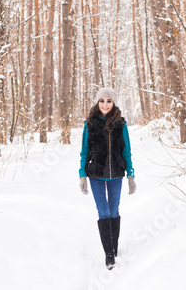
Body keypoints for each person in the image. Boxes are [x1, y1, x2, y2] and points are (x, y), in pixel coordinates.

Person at [79, 87, 136, 270]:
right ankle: (109, 254)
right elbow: (84, 151)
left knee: (114, 211)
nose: (105, 104)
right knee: (103, 212)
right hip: (96, 174)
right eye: (102, 101)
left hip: (116, 175)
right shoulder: (90, 124)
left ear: (114, 103)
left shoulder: (121, 123)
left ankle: (115, 246)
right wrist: (82, 175)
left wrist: (131, 174)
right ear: (97, 102)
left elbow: (126, 150)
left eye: (109, 101)